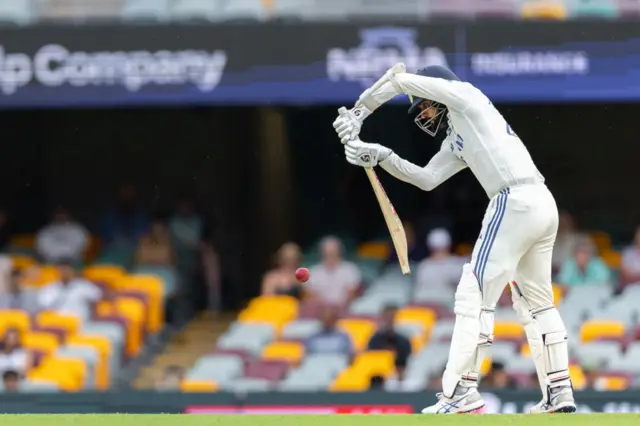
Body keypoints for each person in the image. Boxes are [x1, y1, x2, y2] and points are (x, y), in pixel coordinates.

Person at [332, 64, 575, 413]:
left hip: (514, 200)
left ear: (438, 89)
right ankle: (559, 391)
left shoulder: (464, 95)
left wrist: (358, 113)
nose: (426, 113)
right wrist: (380, 155)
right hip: (541, 203)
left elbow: (398, 79)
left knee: (472, 294)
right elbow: (427, 178)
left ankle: (460, 390)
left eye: (426, 104)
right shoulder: (458, 135)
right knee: (535, 303)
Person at [38, 261, 103, 320]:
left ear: (73, 271)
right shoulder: (50, 287)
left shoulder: (83, 285)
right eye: (62, 270)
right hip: (58, 322)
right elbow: (44, 305)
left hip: (80, 321)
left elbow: (98, 295)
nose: (65, 272)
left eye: (67, 270)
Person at [414, 228, 465, 304]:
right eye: (436, 250)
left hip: (448, 309)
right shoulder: (424, 266)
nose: (439, 253)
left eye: (441, 249)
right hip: (425, 308)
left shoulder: (456, 264)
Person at [306, 236, 361, 306]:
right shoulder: (314, 271)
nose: (330, 255)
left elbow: (351, 294)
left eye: (333, 252)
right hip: (320, 309)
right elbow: (310, 295)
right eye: (327, 252)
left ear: (339, 252)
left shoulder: (350, 269)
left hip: (344, 308)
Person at [367, 305, 412, 382]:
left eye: (392, 316)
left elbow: (407, 361)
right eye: (387, 317)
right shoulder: (375, 340)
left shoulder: (404, 340)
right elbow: (371, 360)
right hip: (378, 376)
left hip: (399, 376)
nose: (390, 319)